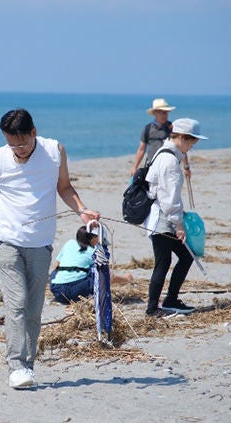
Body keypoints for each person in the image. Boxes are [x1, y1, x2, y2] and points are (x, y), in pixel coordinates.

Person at [0, 109, 99, 389]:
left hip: (40, 243)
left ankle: (28, 367)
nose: (18, 149)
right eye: (12, 144)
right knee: (17, 302)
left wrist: (81, 210)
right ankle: (15, 365)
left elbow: (65, 187)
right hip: (6, 240)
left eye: (23, 143)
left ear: (34, 132)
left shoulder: (55, 151)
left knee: (33, 309)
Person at [143, 118, 207, 317]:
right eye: (191, 142)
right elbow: (169, 198)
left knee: (186, 256)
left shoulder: (166, 153)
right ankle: (152, 308)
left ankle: (171, 300)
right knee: (163, 262)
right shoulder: (169, 160)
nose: (191, 147)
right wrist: (179, 224)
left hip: (162, 216)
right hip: (162, 220)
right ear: (180, 137)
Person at [50, 226, 133, 305]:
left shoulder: (70, 243)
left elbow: (56, 265)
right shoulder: (94, 252)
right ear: (94, 239)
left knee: (57, 270)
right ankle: (88, 295)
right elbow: (108, 277)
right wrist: (126, 279)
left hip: (56, 290)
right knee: (96, 272)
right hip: (75, 292)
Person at [131, 98, 191, 178]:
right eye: (162, 112)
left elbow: (182, 149)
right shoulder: (147, 129)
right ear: (155, 113)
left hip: (170, 166)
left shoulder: (173, 129)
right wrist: (135, 167)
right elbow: (141, 149)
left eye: (166, 112)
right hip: (152, 166)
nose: (165, 115)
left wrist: (186, 167)